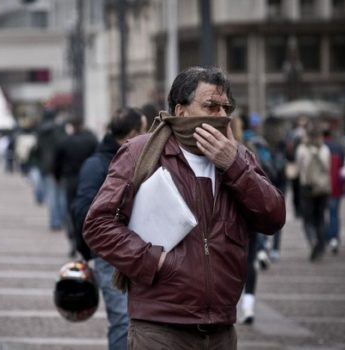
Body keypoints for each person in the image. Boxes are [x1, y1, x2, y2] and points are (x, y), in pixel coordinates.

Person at [83, 66, 286, 349]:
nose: (220, 115)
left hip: (221, 328)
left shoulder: (239, 156)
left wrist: (234, 166)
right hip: (160, 327)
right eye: (210, 106)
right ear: (180, 111)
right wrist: (154, 261)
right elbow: (97, 225)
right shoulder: (140, 152)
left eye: (225, 108)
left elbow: (274, 216)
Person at [71, 107, 147, 350]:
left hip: (139, 251)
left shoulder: (138, 159)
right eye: (145, 130)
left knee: (141, 322)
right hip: (111, 254)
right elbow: (82, 211)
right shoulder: (97, 165)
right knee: (123, 321)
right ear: (133, 134)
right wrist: (91, 251)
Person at [54, 116, 98, 257]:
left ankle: (73, 238)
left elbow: (57, 162)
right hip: (88, 179)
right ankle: (86, 239)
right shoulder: (91, 140)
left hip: (70, 179)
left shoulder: (65, 141)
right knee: (87, 210)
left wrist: (57, 177)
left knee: (71, 211)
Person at [296, 124, 331, 262]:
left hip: (307, 188)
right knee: (320, 218)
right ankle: (321, 248)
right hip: (323, 188)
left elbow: (299, 167)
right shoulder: (325, 149)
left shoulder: (302, 149)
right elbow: (327, 168)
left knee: (308, 219)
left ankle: (312, 240)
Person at [323, 128, 345, 254]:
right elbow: (344, 167)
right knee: (334, 214)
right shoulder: (338, 147)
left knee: (322, 214)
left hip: (322, 186)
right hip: (336, 186)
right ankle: (334, 238)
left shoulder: (320, 147)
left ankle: (326, 237)